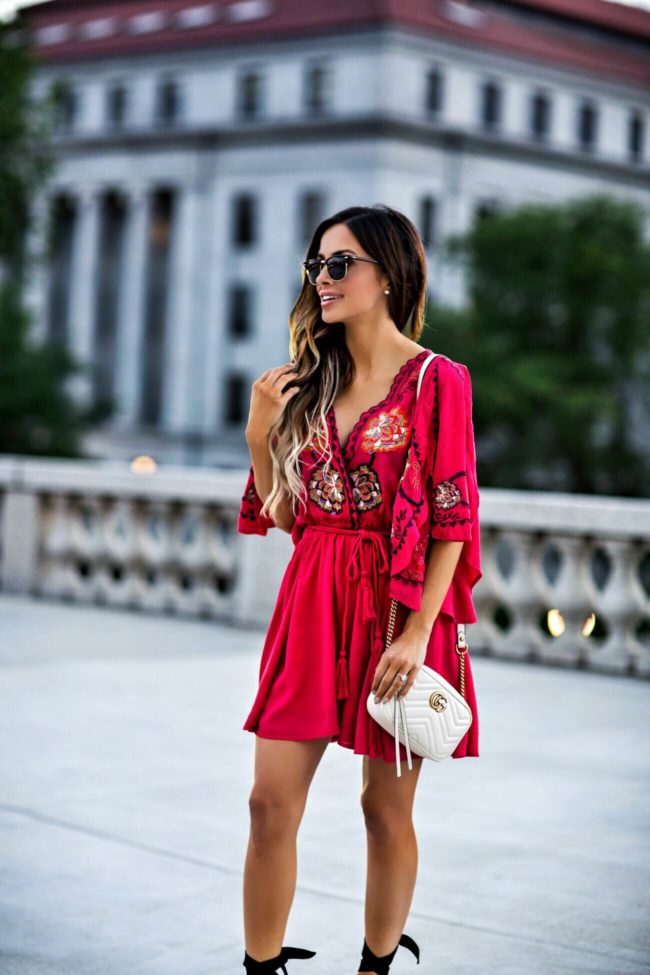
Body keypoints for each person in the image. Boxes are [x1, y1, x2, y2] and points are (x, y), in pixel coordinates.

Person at [237, 204, 482, 975]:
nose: (324, 279)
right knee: (268, 804)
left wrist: (416, 633)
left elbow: (453, 516)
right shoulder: (309, 379)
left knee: (385, 808)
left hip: (400, 609)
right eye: (318, 265)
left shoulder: (439, 381)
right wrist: (259, 436)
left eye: (341, 263)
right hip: (312, 595)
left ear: (389, 273)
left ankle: (376, 964)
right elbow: (284, 513)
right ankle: (261, 965)